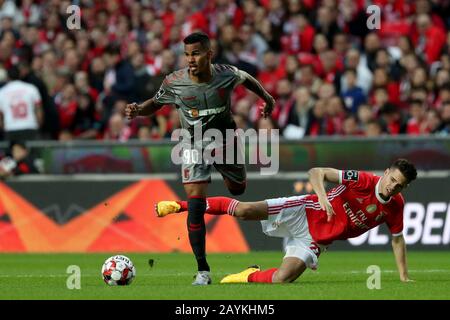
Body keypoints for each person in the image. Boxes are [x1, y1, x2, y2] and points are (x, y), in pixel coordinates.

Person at [125, 32, 275, 285]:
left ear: (208, 54)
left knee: (238, 189)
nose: (190, 59)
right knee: (196, 202)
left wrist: (267, 98)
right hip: (193, 143)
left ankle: (191, 205)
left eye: (195, 53)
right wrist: (139, 110)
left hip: (225, 139)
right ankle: (203, 270)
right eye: (187, 54)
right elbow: (156, 102)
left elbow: (247, 79)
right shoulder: (175, 82)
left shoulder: (225, 74)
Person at [156, 158, 417, 284]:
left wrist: (404, 278)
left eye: (399, 186)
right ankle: (179, 205)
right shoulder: (363, 180)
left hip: (318, 238)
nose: (393, 187)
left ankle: (247, 276)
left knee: (284, 278)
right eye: (392, 179)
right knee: (244, 211)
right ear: (385, 173)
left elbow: (397, 239)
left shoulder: (395, 206)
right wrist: (323, 196)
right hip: (304, 210)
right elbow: (317, 172)